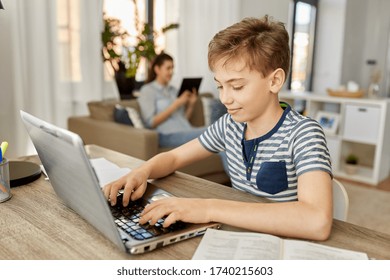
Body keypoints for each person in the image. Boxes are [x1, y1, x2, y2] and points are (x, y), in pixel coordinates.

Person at [104, 15, 333, 241]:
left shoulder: (304, 134)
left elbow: (317, 221)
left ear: (274, 81)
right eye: (220, 86)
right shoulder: (229, 126)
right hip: (242, 238)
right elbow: (173, 158)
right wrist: (141, 172)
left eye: (237, 86)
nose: (225, 98)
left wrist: (208, 208)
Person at [138, 52, 205, 148]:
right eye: (168, 68)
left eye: (172, 68)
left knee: (221, 134)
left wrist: (191, 104)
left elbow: (182, 119)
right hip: (166, 135)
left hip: (185, 130)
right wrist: (176, 104)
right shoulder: (147, 90)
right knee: (216, 132)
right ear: (157, 69)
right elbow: (150, 123)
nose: (171, 72)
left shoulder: (173, 90)